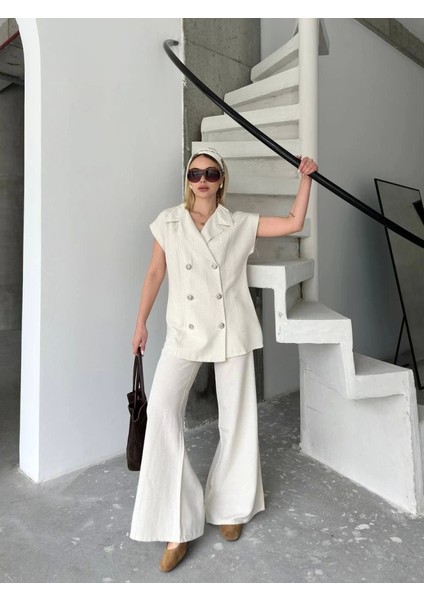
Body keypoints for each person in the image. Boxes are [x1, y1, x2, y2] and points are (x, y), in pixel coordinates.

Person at [129, 147, 318, 572]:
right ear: (187, 179)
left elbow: (293, 222)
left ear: (221, 181)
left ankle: (231, 507)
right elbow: (156, 273)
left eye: (211, 173)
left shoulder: (238, 223)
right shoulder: (169, 221)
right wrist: (140, 322)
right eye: (195, 173)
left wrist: (305, 178)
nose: (202, 180)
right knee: (161, 411)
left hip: (231, 326)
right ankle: (177, 523)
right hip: (184, 330)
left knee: (236, 419)